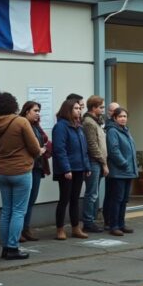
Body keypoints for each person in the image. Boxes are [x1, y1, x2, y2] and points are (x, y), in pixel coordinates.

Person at [0, 92, 42, 259]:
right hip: (21, 170)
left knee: (6, 211)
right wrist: (37, 152)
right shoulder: (21, 122)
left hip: (2, 171)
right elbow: (34, 148)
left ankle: (5, 247)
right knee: (19, 211)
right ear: (13, 105)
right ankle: (12, 247)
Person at [52, 98, 91, 240]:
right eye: (76, 108)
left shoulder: (79, 126)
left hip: (79, 168)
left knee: (75, 199)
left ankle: (75, 228)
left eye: (80, 108)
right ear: (68, 110)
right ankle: (60, 229)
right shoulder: (61, 127)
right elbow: (59, 149)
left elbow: (84, 149)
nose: (79, 110)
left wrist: (86, 166)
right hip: (67, 170)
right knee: (64, 199)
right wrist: (66, 169)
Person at [105, 107, 138, 236]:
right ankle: (114, 226)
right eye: (120, 117)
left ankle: (121, 224)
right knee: (117, 199)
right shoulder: (113, 131)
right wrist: (124, 163)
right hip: (119, 171)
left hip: (128, 171)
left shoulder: (125, 130)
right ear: (114, 118)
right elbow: (114, 150)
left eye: (125, 116)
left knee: (124, 199)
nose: (123, 119)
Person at [19, 101, 49, 241]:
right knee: (22, 201)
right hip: (26, 167)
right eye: (35, 110)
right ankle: (18, 230)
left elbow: (43, 140)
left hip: (37, 166)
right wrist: (39, 150)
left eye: (39, 111)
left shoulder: (36, 126)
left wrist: (44, 149)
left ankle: (26, 228)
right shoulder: (22, 125)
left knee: (31, 200)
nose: (38, 113)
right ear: (26, 111)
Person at [81, 95, 108, 233]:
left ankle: (90, 220)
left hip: (98, 162)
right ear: (94, 108)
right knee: (92, 193)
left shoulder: (97, 121)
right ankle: (88, 221)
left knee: (94, 193)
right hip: (94, 162)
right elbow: (92, 145)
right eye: (101, 107)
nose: (103, 109)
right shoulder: (89, 123)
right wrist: (104, 163)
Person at [102, 101, 121, 228]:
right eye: (114, 111)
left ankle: (117, 220)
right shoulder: (110, 128)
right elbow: (113, 149)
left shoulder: (121, 127)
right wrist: (124, 162)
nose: (118, 113)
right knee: (111, 194)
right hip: (113, 165)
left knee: (118, 195)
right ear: (109, 113)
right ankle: (108, 220)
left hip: (118, 166)